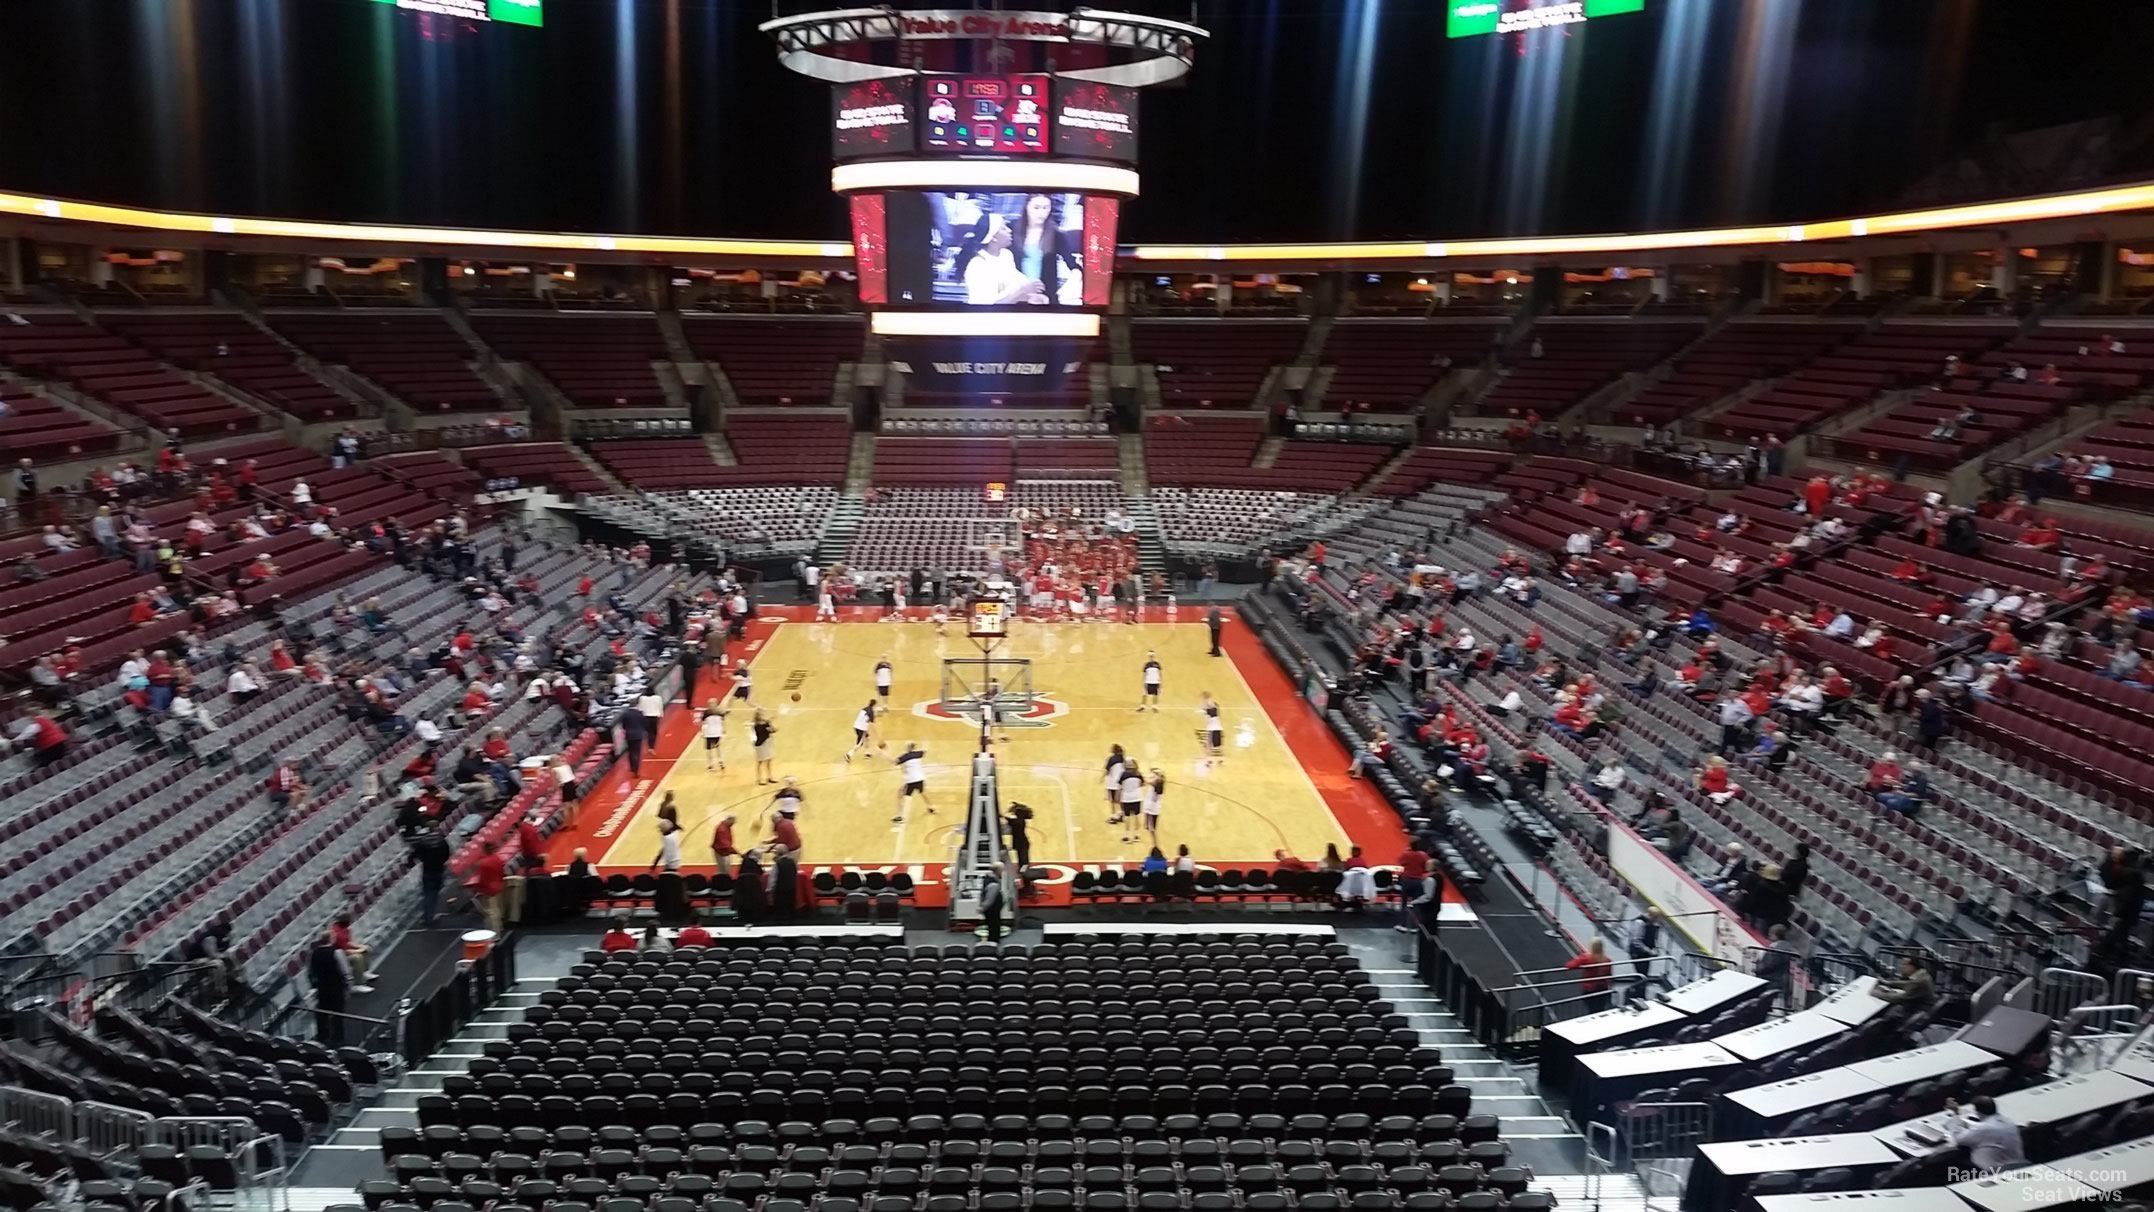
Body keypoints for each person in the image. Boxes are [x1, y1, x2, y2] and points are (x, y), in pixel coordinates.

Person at [1944, 1096, 2028, 1173]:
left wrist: (1954, 1115)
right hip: (2017, 1162)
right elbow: (1985, 1128)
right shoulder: (2008, 1121)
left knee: (1952, 1159)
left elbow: (1958, 1139)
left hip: (1994, 1169)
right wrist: (1962, 1121)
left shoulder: (1984, 1129)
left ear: (1978, 1112)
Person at [307, 931, 351, 1045]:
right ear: (330, 939)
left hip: (322, 987)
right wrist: (349, 984)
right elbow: (344, 970)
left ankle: (323, 1037)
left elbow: (311, 971)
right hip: (336, 987)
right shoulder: (337, 952)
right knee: (338, 1014)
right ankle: (338, 1038)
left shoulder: (314, 953)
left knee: (323, 1013)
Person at [329, 913, 375, 993]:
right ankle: (358, 984)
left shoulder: (345, 929)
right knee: (357, 957)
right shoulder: (336, 933)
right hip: (339, 957)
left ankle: (364, 973)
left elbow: (348, 942)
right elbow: (344, 950)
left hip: (345, 951)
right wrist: (359, 950)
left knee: (366, 949)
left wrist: (361, 946)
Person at [891, 741, 935, 823]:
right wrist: (926, 743)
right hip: (920, 778)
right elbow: (925, 750)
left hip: (911, 780)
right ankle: (931, 807)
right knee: (922, 792)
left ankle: (900, 816)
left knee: (900, 795)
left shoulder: (905, 756)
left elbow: (894, 762)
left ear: (908, 747)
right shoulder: (918, 754)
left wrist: (883, 753)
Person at [1566, 938, 1613, 1012]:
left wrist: (1579, 958)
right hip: (1603, 989)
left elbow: (1570, 965)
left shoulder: (1586, 958)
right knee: (1600, 1010)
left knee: (1591, 1009)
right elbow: (1609, 975)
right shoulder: (1607, 960)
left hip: (1590, 989)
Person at [1395, 840, 1432, 933]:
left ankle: (1402, 924)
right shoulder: (1423, 855)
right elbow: (1427, 866)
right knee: (1416, 904)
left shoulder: (1406, 854)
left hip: (1406, 880)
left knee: (1403, 903)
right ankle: (1414, 927)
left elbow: (1401, 862)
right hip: (1418, 881)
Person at [1116, 761, 1145, 844]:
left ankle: (1127, 836)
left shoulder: (1123, 774)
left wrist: (1118, 797)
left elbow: (1120, 786)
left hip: (1126, 798)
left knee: (1127, 817)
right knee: (1137, 816)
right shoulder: (1138, 773)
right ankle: (1136, 836)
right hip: (1137, 797)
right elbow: (1143, 783)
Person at [979, 861, 1008, 942]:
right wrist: (983, 908)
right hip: (992, 910)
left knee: (991, 925)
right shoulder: (993, 885)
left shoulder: (988, 876)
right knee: (994, 927)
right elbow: (990, 899)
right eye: (1002, 870)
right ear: (998, 871)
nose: (1003, 872)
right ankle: (994, 942)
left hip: (990, 909)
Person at [699, 699, 728, 771]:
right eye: (710, 703)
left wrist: (723, 730)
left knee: (717, 748)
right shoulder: (706, 712)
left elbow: (722, 721)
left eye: (713, 703)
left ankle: (720, 762)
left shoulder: (720, 712)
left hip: (717, 733)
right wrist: (702, 731)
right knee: (709, 750)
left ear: (716, 704)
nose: (712, 704)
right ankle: (710, 764)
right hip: (709, 733)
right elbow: (703, 722)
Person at [751, 709, 776, 784]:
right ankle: (759, 779)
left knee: (769, 761)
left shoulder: (766, 723)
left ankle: (769, 777)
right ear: (757, 716)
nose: (763, 716)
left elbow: (773, 730)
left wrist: (771, 726)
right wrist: (768, 723)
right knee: (760, 762)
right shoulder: (757, 725)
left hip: (768, 743)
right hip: (761, 744)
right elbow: (764, 731)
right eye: (761, 714)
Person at [1200, 691, 1224, 766]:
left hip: (1213, 729)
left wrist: (1206, 700)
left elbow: (1210, 708)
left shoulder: (1213, 709)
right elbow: (1207, 707)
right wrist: (1205, 701)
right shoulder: (1211, 708)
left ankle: (1209, 761)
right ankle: (1219, 760)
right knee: (1217, 746)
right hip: (1216, 728)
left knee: (1209, 746)